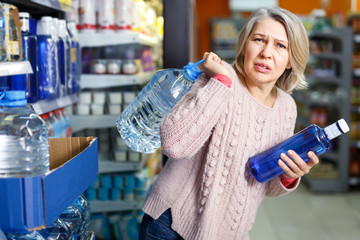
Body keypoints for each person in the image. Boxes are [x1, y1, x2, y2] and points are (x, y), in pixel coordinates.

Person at [139, 6, 319, 240]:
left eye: (280, 46)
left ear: (290, 60)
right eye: (259, 40)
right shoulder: (218, 77)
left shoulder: (287, 107)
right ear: (245, 45)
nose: (266, 52)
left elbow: (265, 185)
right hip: (171, 225)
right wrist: (221, 83)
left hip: (229, 232)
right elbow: (174, 144)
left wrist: (289, 175)